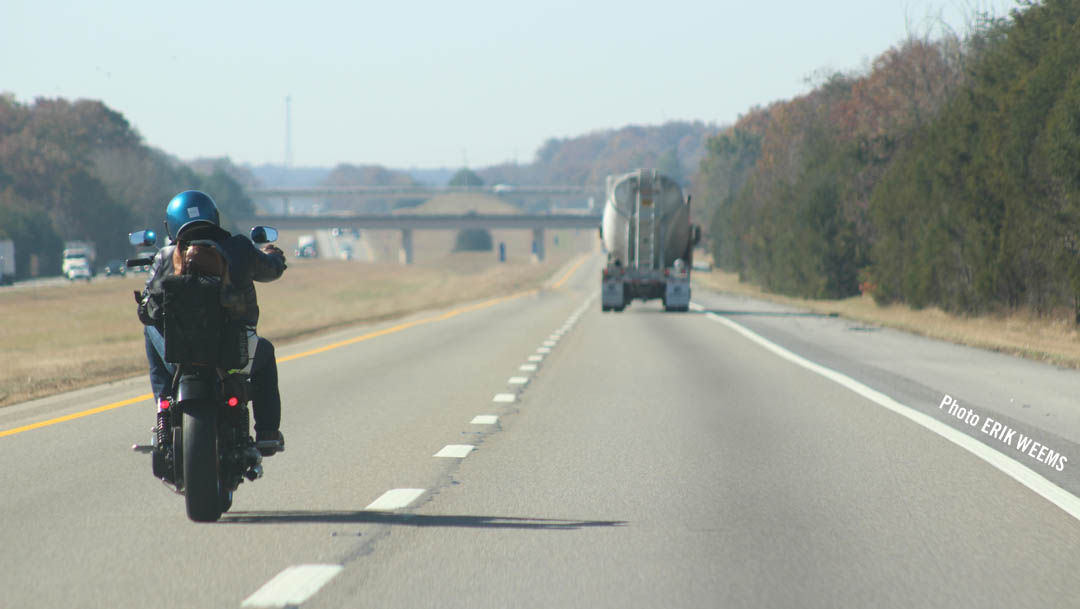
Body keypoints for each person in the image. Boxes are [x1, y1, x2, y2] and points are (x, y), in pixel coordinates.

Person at [137, 190, 287, 454]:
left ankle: (163, 405)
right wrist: (275, 256)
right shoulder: (239, 247)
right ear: (214, 218)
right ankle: (267, 432)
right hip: (234, 354)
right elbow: (272, 270)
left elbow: (147, 312)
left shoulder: (165, 256)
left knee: (150, 329)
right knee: (266, 353)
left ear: (170, 225)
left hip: (180, 357)